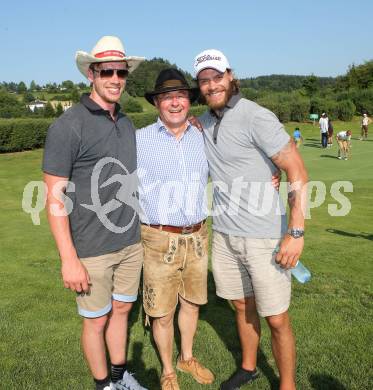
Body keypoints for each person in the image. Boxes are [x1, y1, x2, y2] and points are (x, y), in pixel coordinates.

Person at [193, 49, 308, 390]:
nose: (212, 85)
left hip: (264, 236)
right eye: (204, 80)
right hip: (226, 235)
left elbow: (297, 169)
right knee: (242, 305)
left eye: (217, 77)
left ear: (230, 76)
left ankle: (287, 385)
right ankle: (248, 367)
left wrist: (296, 231)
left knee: (276, 317)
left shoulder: (255, 116)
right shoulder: (205, 120)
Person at [42, 36, 148, 390]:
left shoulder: (128, 122)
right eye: (107, 71)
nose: (115, 78)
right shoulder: (68, 125)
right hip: (91, 249)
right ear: (92, 74)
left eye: (121, 72)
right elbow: (54, 199)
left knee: (121, 312)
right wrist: (68, 258)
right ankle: (103, 385)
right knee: (96, 322)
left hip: (130, 243)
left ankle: (121, 378)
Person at [136, 68, 214, 390]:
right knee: (162, 312)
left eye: (180, 96)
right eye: (167, 97)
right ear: (157, 103)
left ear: (189, 101)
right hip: (157, 238)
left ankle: (186, 357)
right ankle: (168, 370)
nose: (174, 103)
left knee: (192, 303)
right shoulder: (138, 139)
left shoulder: (203, 137)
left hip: (197, 235)